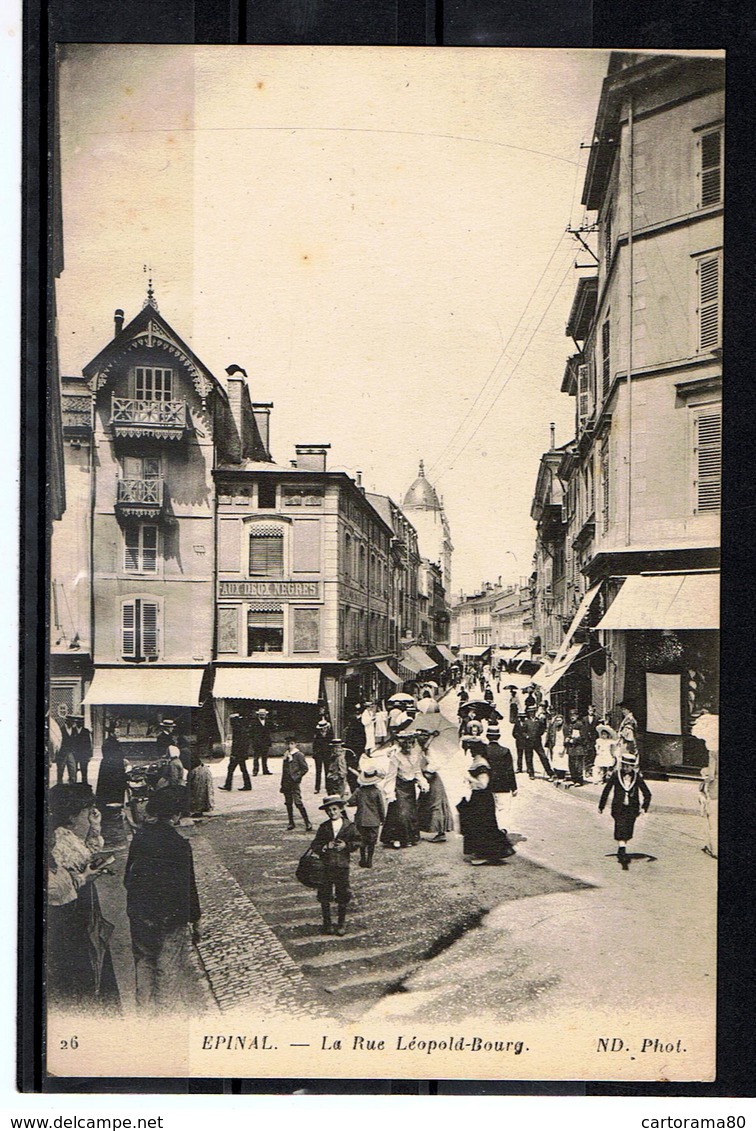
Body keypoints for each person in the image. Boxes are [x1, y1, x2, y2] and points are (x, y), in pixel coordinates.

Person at [124, 786, 201, 1012]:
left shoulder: (140, 839)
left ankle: (144, 1016)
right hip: (170, 919)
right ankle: (165, 1021)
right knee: (167, 969)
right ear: (176, 815)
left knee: (144, 962)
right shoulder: (180, 846)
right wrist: (195, 920)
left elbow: (128, 879)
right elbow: (189, 887)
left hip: (140, 915)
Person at [47, 784, 120, 1011]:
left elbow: (86, 853)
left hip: (82, 901)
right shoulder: (59, 839)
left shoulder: (67, 835)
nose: (88, 815)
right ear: (71, 815)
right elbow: (62, 881)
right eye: (86, 811)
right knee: (84, 954)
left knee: (93, 948)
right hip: (73, 909)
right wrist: (85, 877)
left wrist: (95, 828)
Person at [309, 796, 360, 936]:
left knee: (342, 893)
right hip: (326, 866)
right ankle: (327, 923)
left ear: (341, 809)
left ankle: (341, 923)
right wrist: (325, 846)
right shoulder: (324, 827)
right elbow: (315, 844)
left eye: (334, 809)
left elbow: (358, 841)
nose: (332, 813)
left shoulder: (349, 826)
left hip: (342, 865)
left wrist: (346, 845)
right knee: (325, 894)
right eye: (329, 810)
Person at [598, 750, 652, 866]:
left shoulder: (637, 777)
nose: (626, 768)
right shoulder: (616, 775)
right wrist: (601, 806)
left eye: (629, 766)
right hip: (618, 807)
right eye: (624, 766)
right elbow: (606, 790)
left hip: (632, 808)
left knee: (628, 829)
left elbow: (647, 793)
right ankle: (622, 850)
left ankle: (622, 846)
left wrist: (644, 807)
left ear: (633, 767)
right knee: (620, 825)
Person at [457, 762, 515, 866]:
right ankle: (483, 853)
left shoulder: (482, 767)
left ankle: (487, 854)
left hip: (483, 799)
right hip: (478, 798)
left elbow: (483, 784)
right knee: (479, 825)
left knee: (484, 826)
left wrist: (469, 777)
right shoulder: (478, 764)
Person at [380, 732, 429, 849]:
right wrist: (390, 793)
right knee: (401, 813)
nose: (408, 747)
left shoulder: (415, 755)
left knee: (411, 813)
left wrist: (422, 782)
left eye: (410, 744)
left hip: (410, 787)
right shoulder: (395, 757)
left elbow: (417, 771)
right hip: (399, 787)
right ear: (401, 745)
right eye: (406, 744)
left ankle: (409, 837)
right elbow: (391, 776)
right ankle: (395, 838)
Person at [413, 726, 454, 843]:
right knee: (423, 804)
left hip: (433, 779)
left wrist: (427, 769)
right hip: (426, 780)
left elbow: (435, 765)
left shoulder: (431, 751)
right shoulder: (422, 749)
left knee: (436, 805)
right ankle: (420, 829)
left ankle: (441, 832)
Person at [479, 722, 517, 830]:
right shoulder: (505, 751)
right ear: (499, 736)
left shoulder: (483, 751)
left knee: (487, 809)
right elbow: (510, 770)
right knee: (503, 808)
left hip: (487, 784)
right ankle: (503, 829)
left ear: (487, 736)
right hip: (503, 785)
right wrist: (514, 787)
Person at [347, 765, 386, 868]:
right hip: (374, 820)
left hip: (361, 819)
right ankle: (369, 860)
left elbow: (351, 802)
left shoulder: (359, 791)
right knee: (372, 841)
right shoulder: (377, 792)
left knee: (362, 840)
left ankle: (362, 858)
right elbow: (381, 807)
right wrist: (383, 818)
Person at [693, 706, 718, 859]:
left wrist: (704, 774)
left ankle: (714, 849)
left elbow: (711, 774)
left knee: (713, 819)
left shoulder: (713, 751)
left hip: (716, 789)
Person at [280, 735, 313, 831]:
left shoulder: (299, 755)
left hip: (294, 782)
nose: (290, 746)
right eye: (288, 744)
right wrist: (282, 783)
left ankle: (307, 822)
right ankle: (291, 822)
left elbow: (305, 768)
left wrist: (297, 777)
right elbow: (284, 770)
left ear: (295, 744)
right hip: (286, 781)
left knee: (298, 802)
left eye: (292, 744)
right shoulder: (286, 754)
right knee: (288, 802)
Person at [95, 720, 128, 810]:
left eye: (119, 732)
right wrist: (121, 760)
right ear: (111, 733)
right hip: (111, 767)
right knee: (110, 785)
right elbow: (110, 756)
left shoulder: (115, 742)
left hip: (115, 766)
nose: (119, 734)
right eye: (117, 732)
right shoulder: (108, 743)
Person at [220, 711, 252, 791]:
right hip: (241, 754)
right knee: (243, 769)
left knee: (231, 769)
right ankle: (247, 785)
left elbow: (238, 744)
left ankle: (228, 785)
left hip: (237, 754)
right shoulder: (241, 729)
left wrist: (234, 754)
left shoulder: (238, 730)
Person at [520, 707, 553, 780]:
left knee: (543, 757)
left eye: (533, 712)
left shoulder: (539, 721)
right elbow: (522, 732)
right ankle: (531, 773)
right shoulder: (526, 722)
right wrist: (527, 736)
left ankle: (550, 773)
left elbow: (542, 729)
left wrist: (538, 735)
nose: (532, 713)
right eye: (530, 712)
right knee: (529, 758)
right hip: (528, 742)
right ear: (528, 713)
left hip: (537, 742)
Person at [564, 708, 589, 786]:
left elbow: (583, 737)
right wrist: (567, 738)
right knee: (571, 764)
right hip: (571, 748)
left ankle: (579, 780)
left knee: (578, 764)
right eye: (571, 715)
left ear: (577, 716)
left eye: (574, 715)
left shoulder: (580, 724)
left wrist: (574, 741)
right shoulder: (569, 725)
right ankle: (573, 778)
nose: (572, 717)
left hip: (579, 748)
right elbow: (568, 734)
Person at [311, 707, 333, 794]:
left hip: (327, 754)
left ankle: (328, 787)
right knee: (318, 771)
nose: (323, 730)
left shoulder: (329, 734)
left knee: (328, 771)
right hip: (319, 755)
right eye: (322, 728)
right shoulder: (317, 735)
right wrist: (315, 753)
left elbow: (331, 744)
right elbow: (315, 745)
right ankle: (317, 787)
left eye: (324, 728)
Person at [68, 714, 93, 786]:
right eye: (78, 722)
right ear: (76, 722)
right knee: (73, 769)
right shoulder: (72, 731)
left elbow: (89, 743)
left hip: (83, 754)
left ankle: (84, 783)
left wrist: (89, 754)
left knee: (84, 769)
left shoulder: (86, 731)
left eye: (81, 722)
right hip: (74, 753)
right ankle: (74, 783)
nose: (80, 723)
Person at [188, 750, 215, 817]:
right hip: (204, 773)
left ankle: (198, 810)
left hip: (198, 775)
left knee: (198, 793)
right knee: (204, 792)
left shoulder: (194, 768)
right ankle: (202, 809)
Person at [55, 715, 79, 785]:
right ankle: (59, 785)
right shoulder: (60, 729)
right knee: (60, 770)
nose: (73, 723)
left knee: (73, 769)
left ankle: (72, 785)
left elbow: (76, 741)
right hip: (62, 753)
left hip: (71, 753)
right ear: (67, 721)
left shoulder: (74, 730)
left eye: (73, 722)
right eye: (71, 722)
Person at [249, 708, 273, 775]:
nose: (262, 715)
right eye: (261, 714)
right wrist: (254, 741)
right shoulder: (254, 722)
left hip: (265, 742)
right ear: (258, 715)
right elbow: (251, 733)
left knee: (265, 757)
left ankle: (265, 770)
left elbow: (270, 731)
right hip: (257, 743)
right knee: (256, 757)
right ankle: (255, 771)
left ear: (265, 714)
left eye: (263, 714)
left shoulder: (268, 722)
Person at [546, 712, 569, 782]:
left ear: (562, 721)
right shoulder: (555, 728)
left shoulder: (565, 728)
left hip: (562, 746)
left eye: (560, 720)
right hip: (556, 746)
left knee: (562, 762)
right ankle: (557, 776)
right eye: (557, 720)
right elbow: (550, 735)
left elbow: (567, 737)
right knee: (556, 761)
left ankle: (562, 776)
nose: (558, 722)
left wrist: (565, 747)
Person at [582, 705, 600, 779]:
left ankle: (592, 770)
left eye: (592, 711)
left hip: (594, 739)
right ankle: (587, 770)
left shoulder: (597, 718)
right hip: (586, 739)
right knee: (586, 755)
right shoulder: (584, 719)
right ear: (587, 711)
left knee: (593, 754)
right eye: (590, 710)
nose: (591, 712)